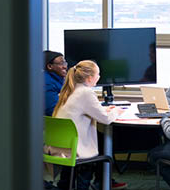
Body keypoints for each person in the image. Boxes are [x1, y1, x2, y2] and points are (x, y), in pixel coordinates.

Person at [46, 60, 128, 190]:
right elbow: (106, 119)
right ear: (90, 78)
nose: (99, 77)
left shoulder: (69, 91)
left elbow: (84, 110)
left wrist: (104, 110)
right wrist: (116, 111)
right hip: (77, 151)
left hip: (60, 149)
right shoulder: (86, 93)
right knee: (99, 152)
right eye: (98, 74)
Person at [43, 50, 68, 116]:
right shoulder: (47, 83)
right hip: (53, 123)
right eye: (61, 63)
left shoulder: (57, 79)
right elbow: (53, 110)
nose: (65, 66)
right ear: (50, 66)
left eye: (65, 63)